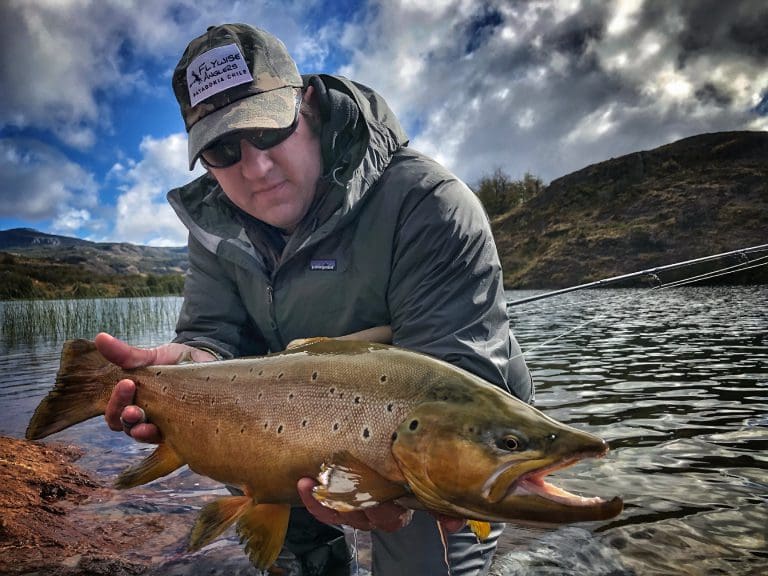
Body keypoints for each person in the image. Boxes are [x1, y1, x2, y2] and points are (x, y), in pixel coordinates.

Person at [98, 23, 533, 576]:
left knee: (427, 543)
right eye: (223, 149)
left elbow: (453, 393)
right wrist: (184, 368)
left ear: (307, 105)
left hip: (442, 434)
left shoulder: (429, 204)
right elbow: (212, 337)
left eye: (268, 130)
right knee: (295, 555)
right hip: (277, 427)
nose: (255, 168)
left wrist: (401, 488)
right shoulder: (212, 225)